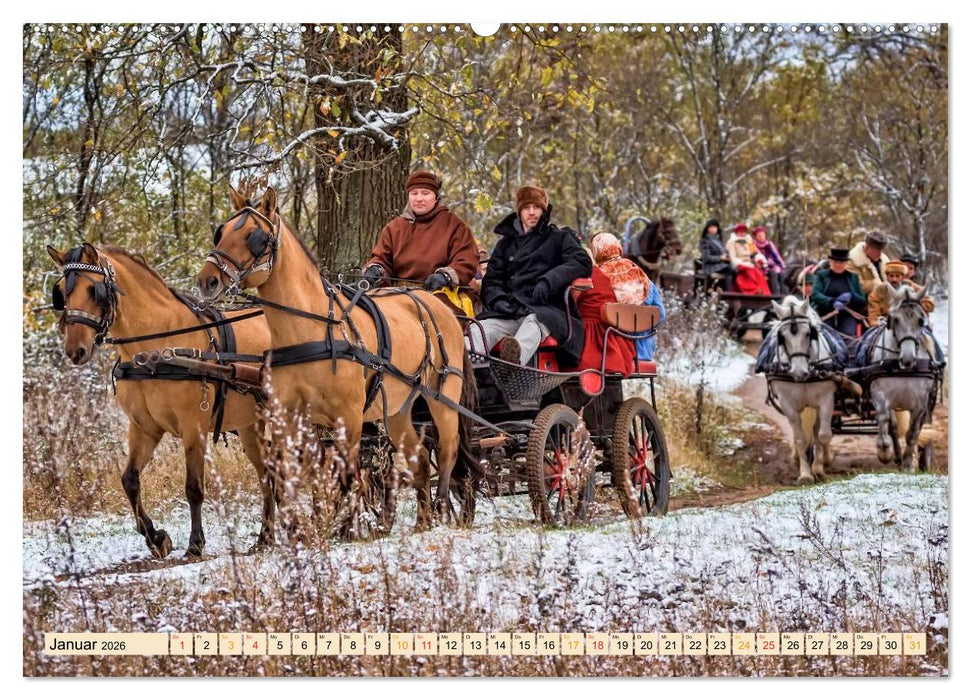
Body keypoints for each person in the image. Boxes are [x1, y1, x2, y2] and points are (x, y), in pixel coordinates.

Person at [471, 185, 592, 365]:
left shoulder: (557, 237)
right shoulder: (505, 245)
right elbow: (492, 280)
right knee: (479, 329)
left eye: (537, 208)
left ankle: (514, 363)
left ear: (543, 210)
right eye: (527, 208)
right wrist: (498, 300)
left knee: (533, 325)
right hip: (509, 310)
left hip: (544, 308)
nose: (532, 212)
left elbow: (582, 262)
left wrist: (549, 281)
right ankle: (474, 372)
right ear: (519, 212)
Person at [362, 170, 479, 315]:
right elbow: (382, 259)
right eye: (414, 193)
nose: (419, 198)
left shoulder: (454, 225)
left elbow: (466, 260)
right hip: (398, 294)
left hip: (439, 294)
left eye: (425, 193)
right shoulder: (395, 227)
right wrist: (376, 269)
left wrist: (445, 276)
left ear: (435, 196)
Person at [591, 232, 665, 361]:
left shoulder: (597, 277)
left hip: (612, 354)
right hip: (644, 352)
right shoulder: (642, 276)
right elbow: (660, 314)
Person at [810, 248, 867, 337]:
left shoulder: (853, 277)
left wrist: (852, 296)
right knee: (828, 336)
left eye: (842, 262)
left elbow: (862, 300)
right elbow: (815, 294)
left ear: (846, 263)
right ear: (830, 262)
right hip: (825, 313)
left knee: (848, 337)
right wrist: (831, 302)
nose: (838, 265)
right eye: (835, 262)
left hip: (847, 314)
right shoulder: (821, 276)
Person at [868, 259, 935, 327]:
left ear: (902, 277)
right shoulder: (879, 290)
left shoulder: (911, 286)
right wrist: (875, 321)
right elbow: (874, 313)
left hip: (910, 322)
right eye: (891, 276)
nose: (894, 279)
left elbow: (929, 304)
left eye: (897, 276)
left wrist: (917, 306)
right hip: (887, 323)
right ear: (887, 277)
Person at [727, 223, 771, 295]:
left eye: (744, 232)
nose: (742, 234)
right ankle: (754, 291)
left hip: (750, 263)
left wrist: (759, 259)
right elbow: (733, 256)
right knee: (749, 273)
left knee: (759, 274)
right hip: (740, 264)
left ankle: (764, 292)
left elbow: (756, 252)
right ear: (736, 233)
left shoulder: (748, 242)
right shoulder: (732, 242)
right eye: (740, 232)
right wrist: (738, 264)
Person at [847, 230, 890, 296]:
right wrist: (878, 285)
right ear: (867, 248)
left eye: (881, 250)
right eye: (876, 250)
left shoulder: (884, 260)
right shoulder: (852, 261)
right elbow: (855, 284)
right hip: (864, 300)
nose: (880, 254)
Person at [698, 218, 732, 289]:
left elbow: (724, 252)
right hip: (710, 266)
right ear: (707, 228)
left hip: (721, 264)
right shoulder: (705, 241)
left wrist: (727, 255)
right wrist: (720, 258)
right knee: (730, 270)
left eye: (715, 227)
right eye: (711, 227)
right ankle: (727, 293)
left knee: (736, 269)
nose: (713, 229)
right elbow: (706, 257)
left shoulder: (719, 240)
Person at [752, 226, 786, 295]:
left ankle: (784, 294)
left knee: (782, 274)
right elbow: (754, 257)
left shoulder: (769, 244)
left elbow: (776, 255)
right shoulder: (753, 245)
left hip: (772, 264)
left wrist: (782, 265)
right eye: (759, 236)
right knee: (773, 273)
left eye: (763, 235)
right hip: (762, 267)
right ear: (756, 237)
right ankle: (775, 294)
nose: (761, 237)